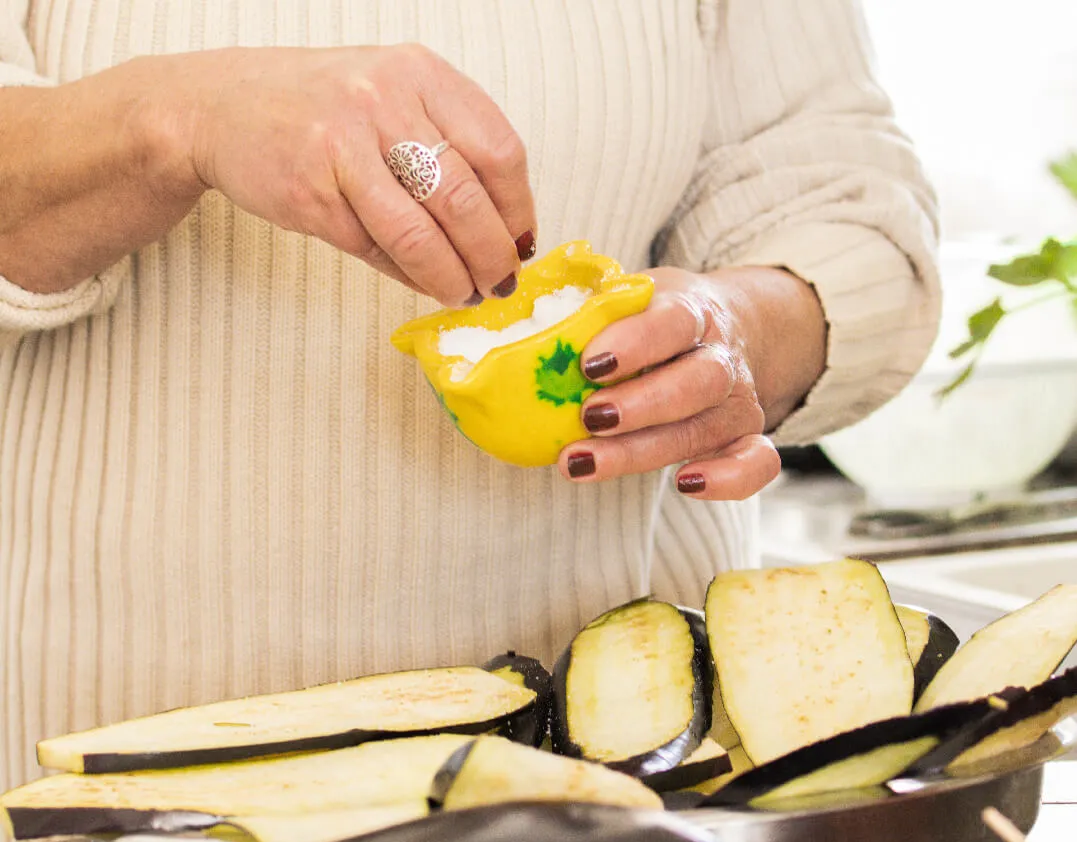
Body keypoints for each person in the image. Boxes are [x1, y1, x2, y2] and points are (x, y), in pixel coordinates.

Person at [0, 0, 940, 792]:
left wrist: (739, 331)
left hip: (628, 770)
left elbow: (842, 204)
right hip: (105, 781)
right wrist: (178, 116)